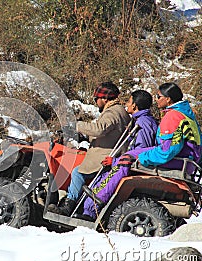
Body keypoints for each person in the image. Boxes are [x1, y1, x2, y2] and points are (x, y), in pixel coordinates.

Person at [82, 82, 202, 220]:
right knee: (128, 156)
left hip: (176, 161)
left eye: (158, 96)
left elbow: (167, 151)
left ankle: (92, 205)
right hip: (186, 162)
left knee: (124, 161)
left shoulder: (172, 117)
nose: (156, 100)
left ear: (168, 99)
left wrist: (141, 158)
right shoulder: (187, 115)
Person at [48, 81, 131, 216]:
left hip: (103, 156)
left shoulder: (113, 112)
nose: (96, 102)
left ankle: (68, 205)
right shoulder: (120, 111)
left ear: (104, 99)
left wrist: (76, 125)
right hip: (110, 153)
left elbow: (99, 130)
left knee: (77, 172)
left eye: (96, 99)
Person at [81, 90, 158, 220]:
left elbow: (140, 150)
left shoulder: (143, 123)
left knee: (104, 184)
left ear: (134, 105)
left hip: (128, 165)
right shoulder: (141, 120)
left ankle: (90, 213)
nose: (126, 104)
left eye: (128, 101)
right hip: (123, 161)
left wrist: (116, 161)